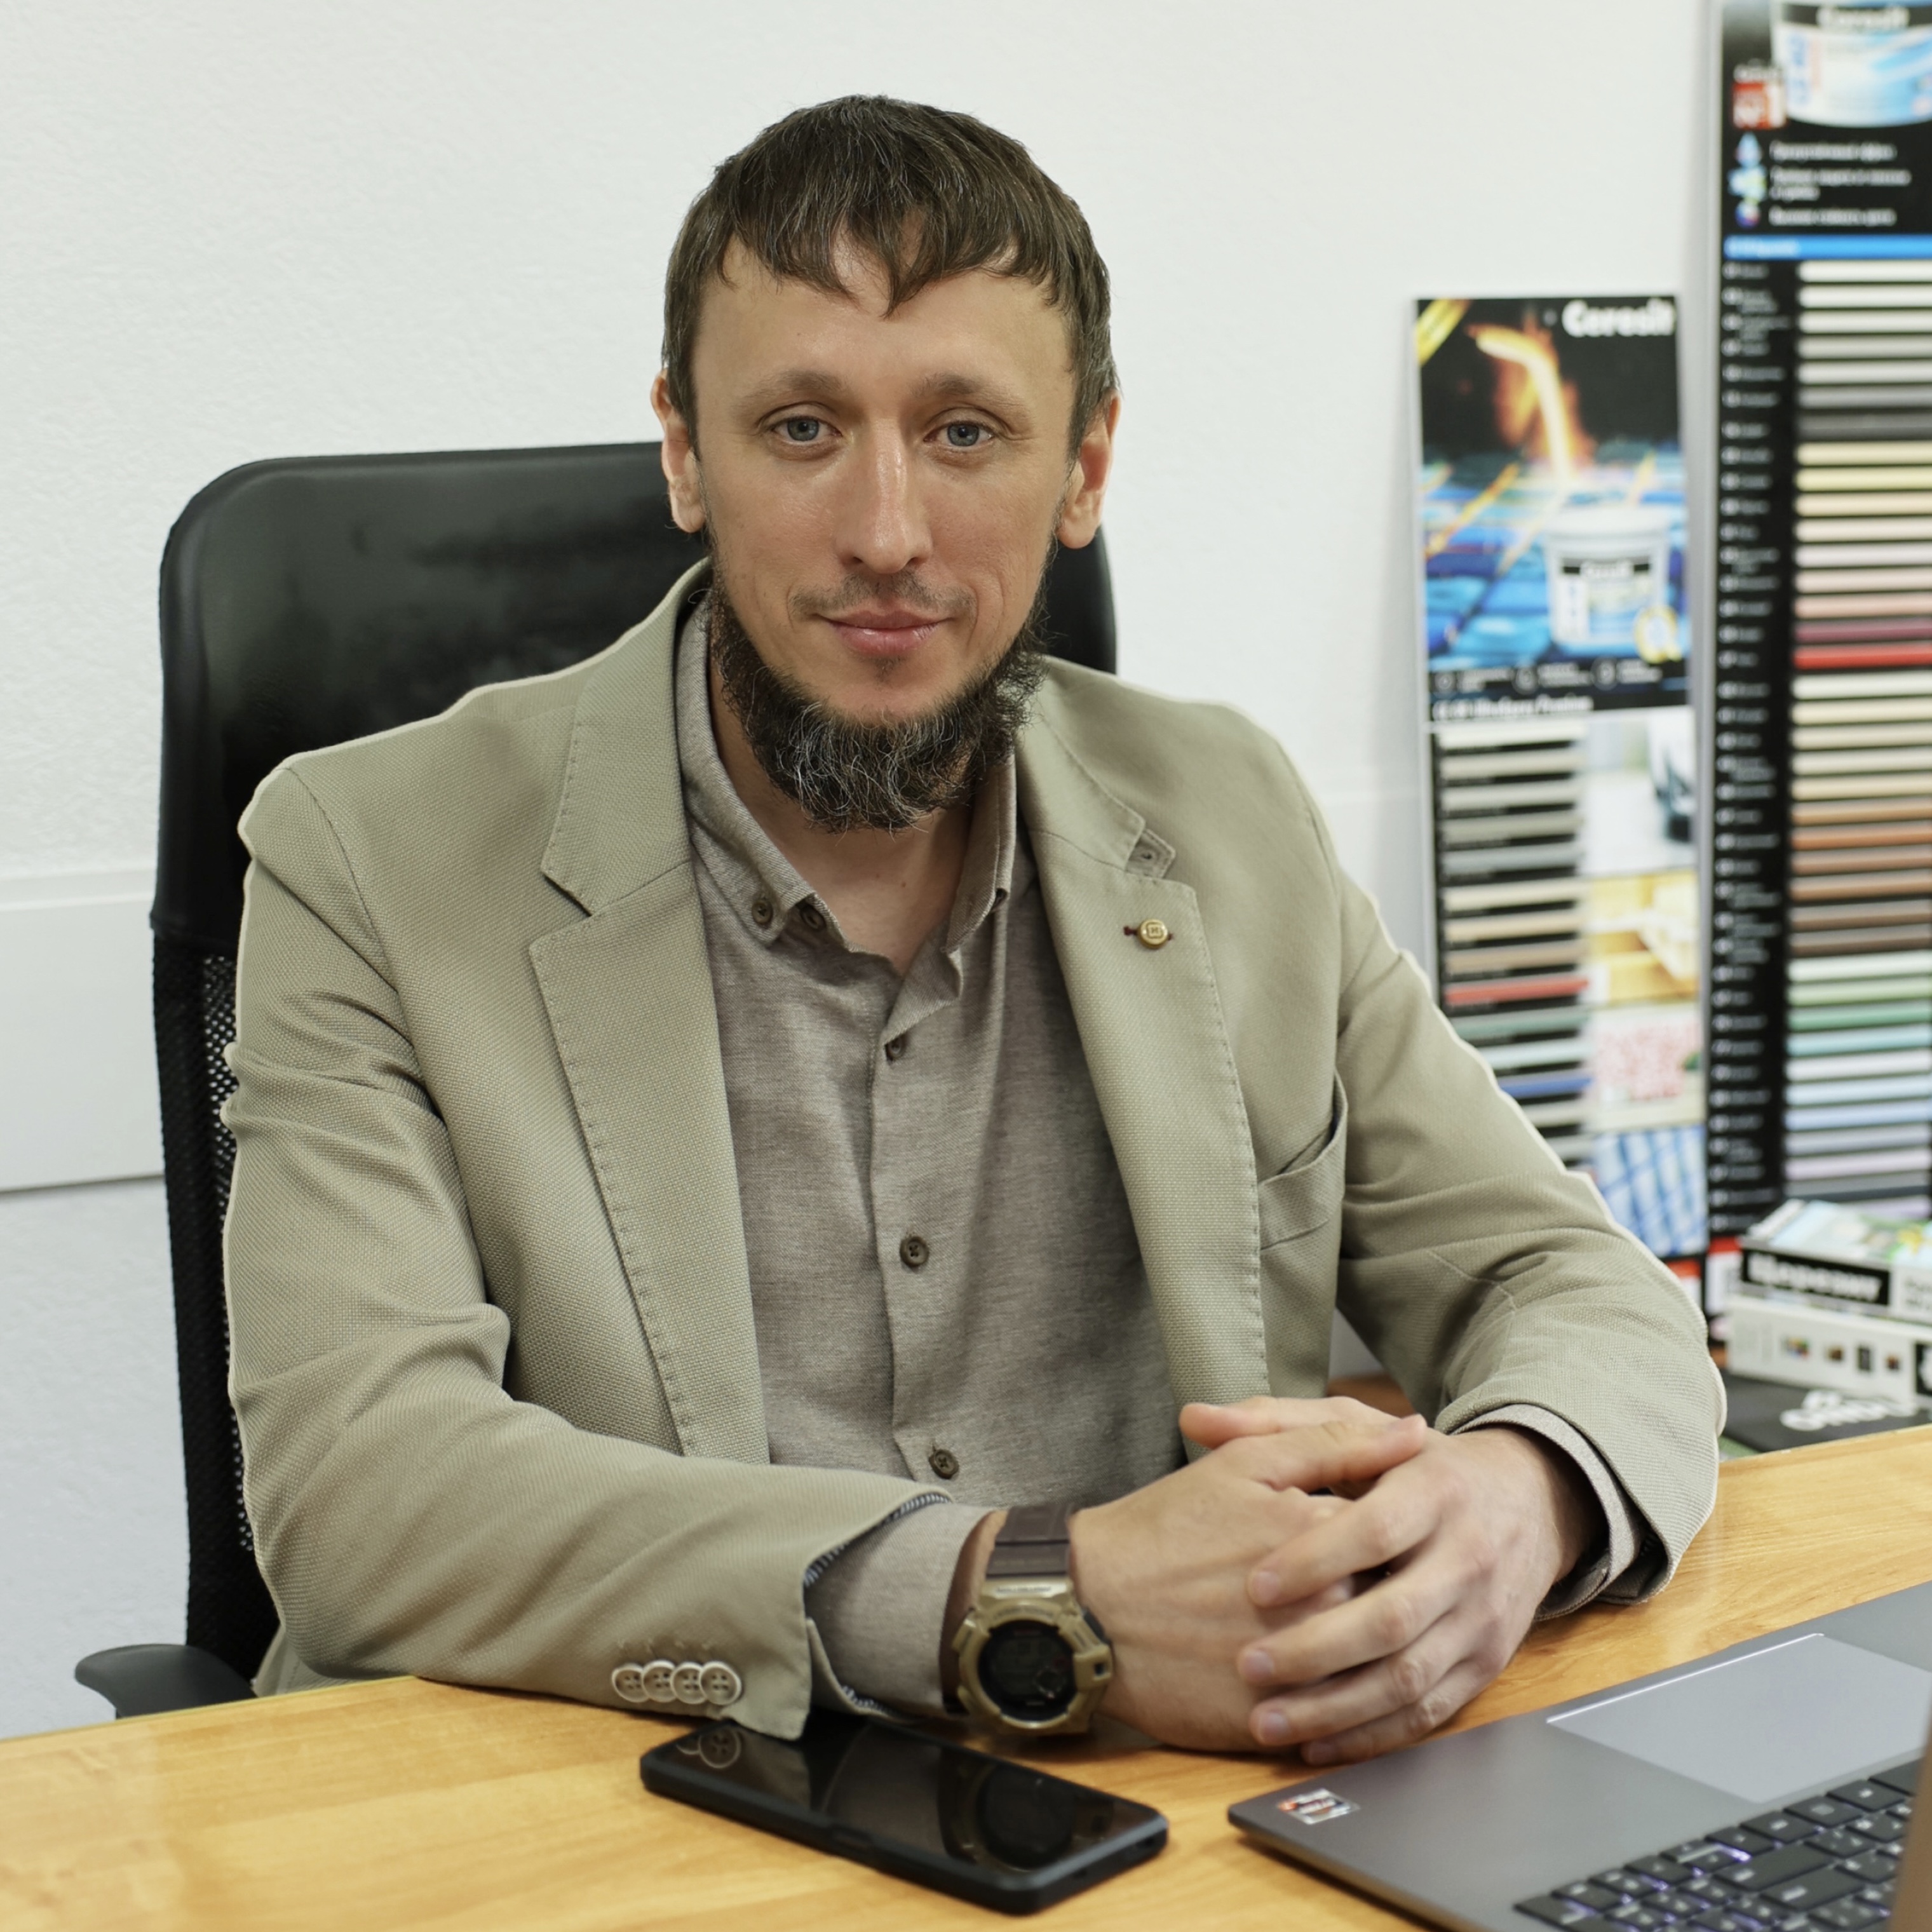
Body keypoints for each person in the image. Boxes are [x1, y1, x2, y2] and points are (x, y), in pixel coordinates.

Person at [224, 95, 1720, 1764]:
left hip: (1173, 1818)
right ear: (683, 451)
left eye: (963, 432)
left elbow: (1564, 1278)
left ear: (1084, 466)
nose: (886, 532)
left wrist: (1517, 1494)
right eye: (801, 427)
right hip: (628, 1810)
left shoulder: (1227, 817)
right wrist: (1024, 1595)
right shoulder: (367, 857)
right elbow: (361, 1493)